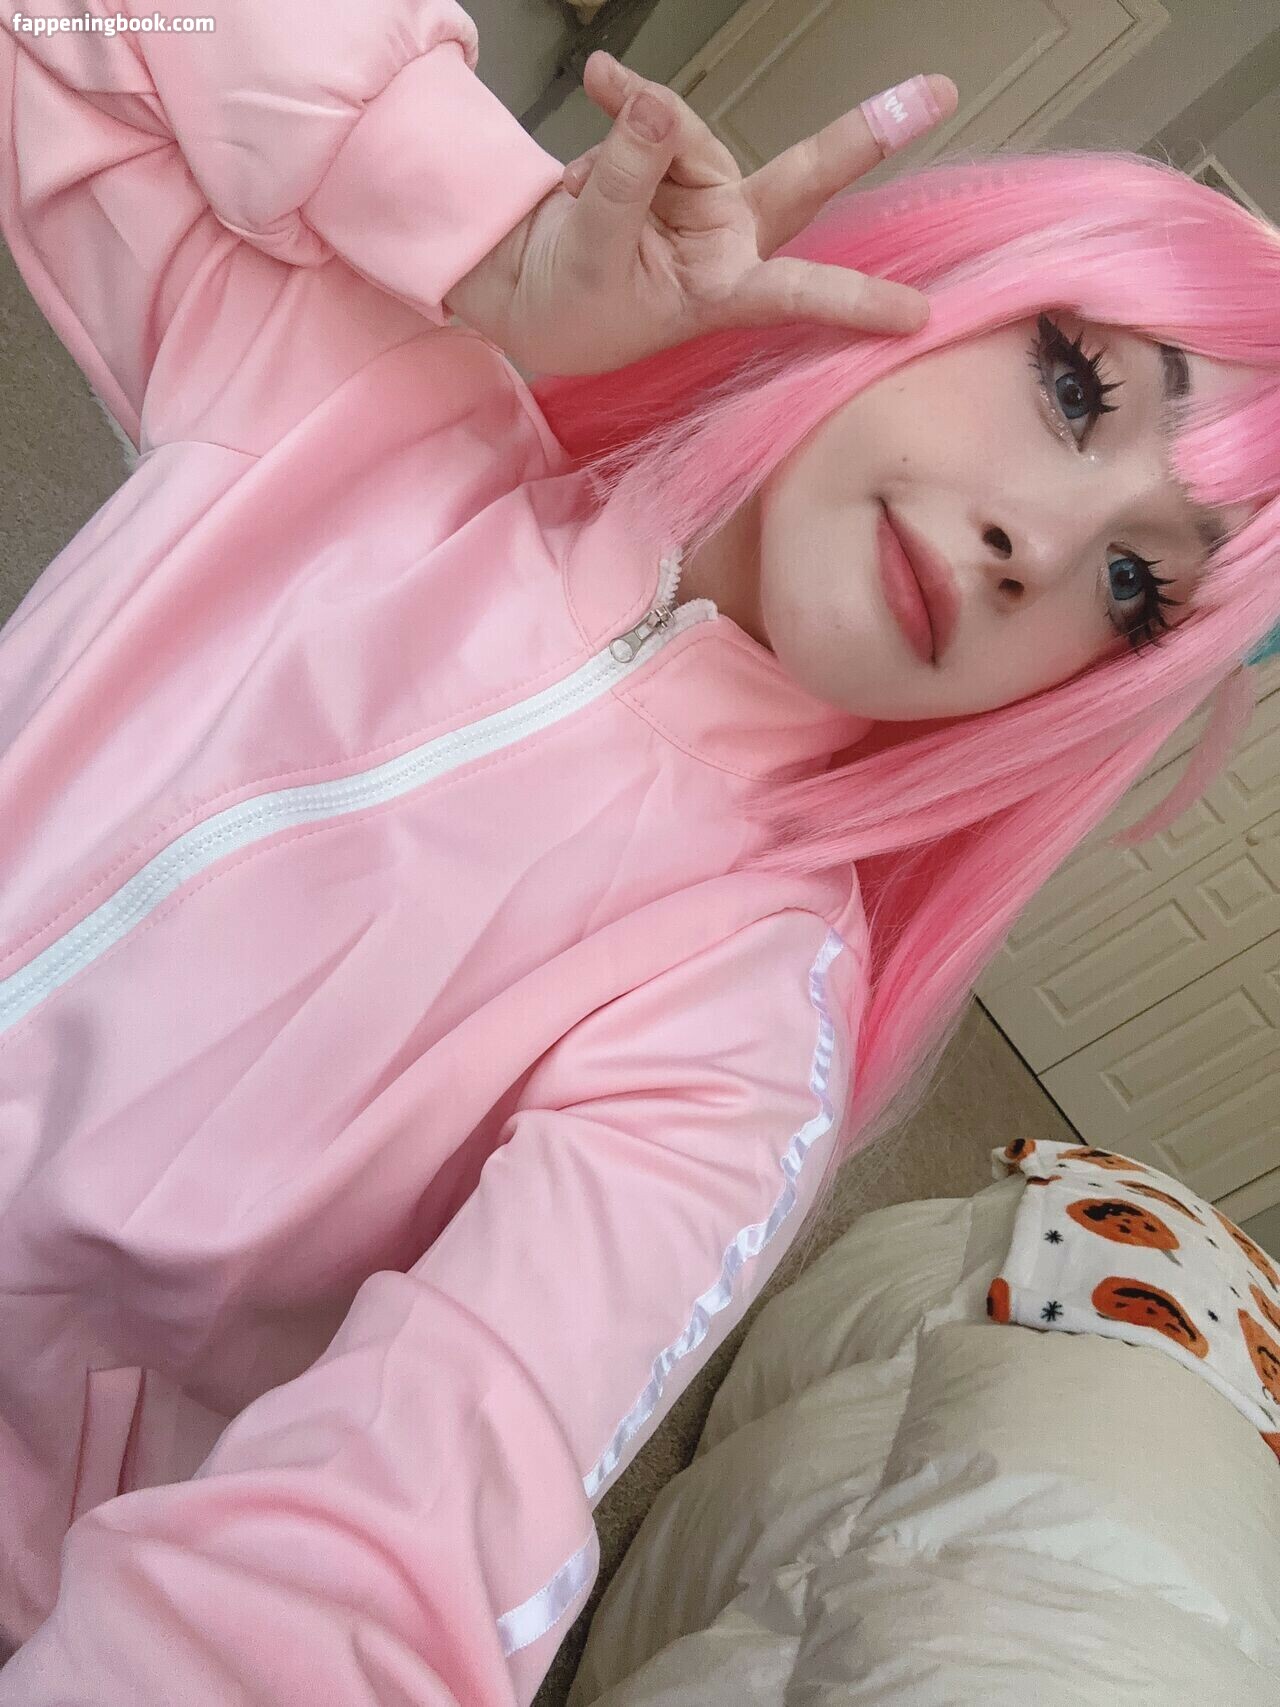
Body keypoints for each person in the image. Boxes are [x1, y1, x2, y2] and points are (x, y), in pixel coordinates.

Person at [0, 5, 1274, 1703]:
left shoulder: (742, 1026)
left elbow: (385, 1563)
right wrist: (476, 229)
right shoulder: (382, 400)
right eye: (1073, 391)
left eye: (1132, 587)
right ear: (950, 282)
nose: (1031, 548)